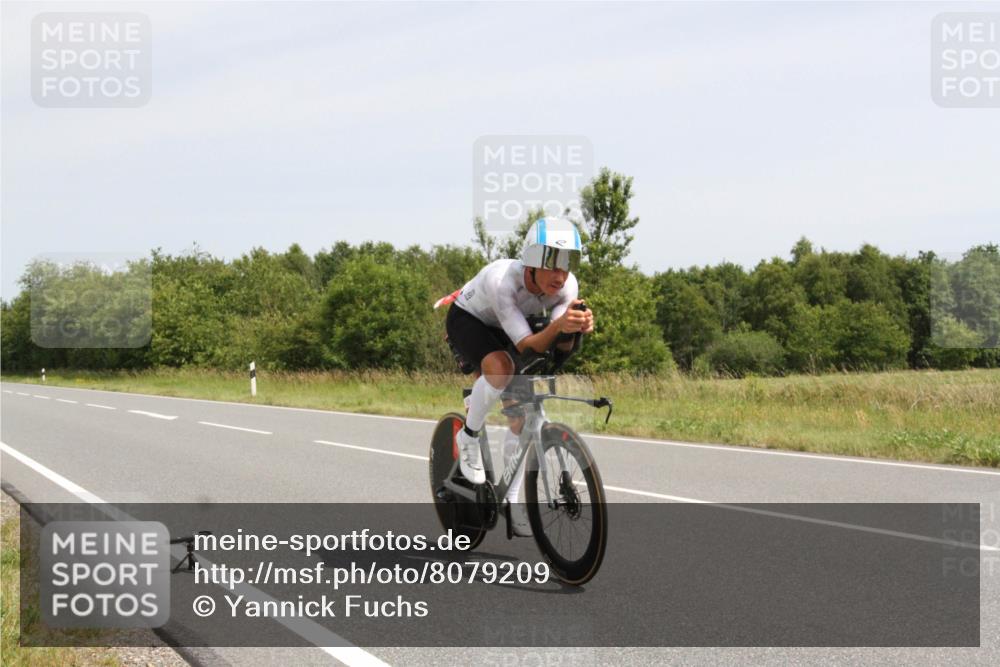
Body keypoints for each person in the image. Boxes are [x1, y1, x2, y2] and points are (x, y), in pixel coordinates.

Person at [443, 217, 594, 535]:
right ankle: (468, 437)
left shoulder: (567, 286)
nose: (560, 273)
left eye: (567, 261)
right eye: (551, 261)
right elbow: (528, 344)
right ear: (532, 260)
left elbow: (554, 345)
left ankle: (511, 502)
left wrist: (575, 327)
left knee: (520, 416)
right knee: (501, 367)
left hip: (510, 326)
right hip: (469, 320)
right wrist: (558, 326)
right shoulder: (504, 281)